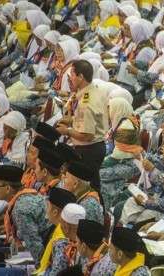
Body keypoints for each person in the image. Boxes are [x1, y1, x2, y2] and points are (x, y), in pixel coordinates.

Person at [56, 60, 108, 193]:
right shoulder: (94, 90)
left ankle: (96, 210)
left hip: (89, 149)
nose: (71, 78)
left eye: (72, 75)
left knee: (88, 188)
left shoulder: (86, 102)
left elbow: (87, 135)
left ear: (80, 76)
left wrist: (66, 131)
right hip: (96, 146)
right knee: (93, 185)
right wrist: (73, 120)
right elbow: (92, 120)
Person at [0, 165, 51, 267]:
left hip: (51, 251)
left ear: (7, 188)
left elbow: (35, 245)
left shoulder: (20, 208)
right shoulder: (26, 196)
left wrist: (41, 271)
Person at [33, 187, 76, 275]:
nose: (46, 209)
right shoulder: (58, 229)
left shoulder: (62, 240)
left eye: (48, 206)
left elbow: (57, 272)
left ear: (55, 212)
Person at [63, 161, 104, 225]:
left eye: (66, 177)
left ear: (75, 184)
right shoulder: (82, 197)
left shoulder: (86, 206)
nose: (63, 180)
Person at [58, 203, 86, 272]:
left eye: (61, 223)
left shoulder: (81, 251)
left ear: (67, 227)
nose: (60, 226)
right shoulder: (82, 243)